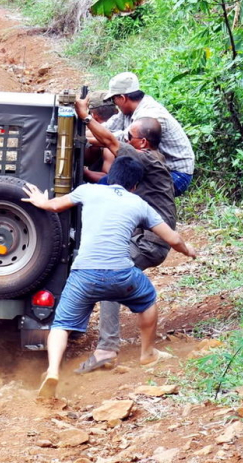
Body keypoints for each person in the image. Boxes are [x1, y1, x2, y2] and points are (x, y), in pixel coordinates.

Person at [21, 156, 197, 399]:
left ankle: (52, 371)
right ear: (135, 185)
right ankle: (147, 354)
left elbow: (53, 206)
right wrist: (189, 251)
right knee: (147, 300)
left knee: (61, 325)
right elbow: (173, 239)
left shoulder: (87, 190)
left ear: (110, 175)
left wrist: (40, 199)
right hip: (121, 275)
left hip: (84, 275)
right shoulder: (139, 203)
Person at [77, 97, 178, 372]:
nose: (127, 141)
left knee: (110, 276)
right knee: (117, 280)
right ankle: (138, 350)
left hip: (151, 242)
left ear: (143, 142)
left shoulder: (145, 158)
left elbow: (109, 142)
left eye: (131, 137)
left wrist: (85, 117)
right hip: (144, 240)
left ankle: (108, 348)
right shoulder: (149, 158)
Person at [103, 72, 195, 196]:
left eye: (114, 99)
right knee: (105, 182)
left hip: (175, 173)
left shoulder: (149, 114)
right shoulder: (130, 109)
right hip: (154, 166)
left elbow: (117, 140)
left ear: (122, 98)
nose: (115, 103)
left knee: (119, 192)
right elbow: (107, 129)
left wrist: (87, 125)